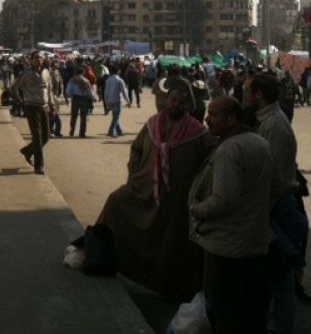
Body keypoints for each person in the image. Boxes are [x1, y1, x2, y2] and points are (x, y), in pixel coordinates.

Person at [97, 88, 214, 301]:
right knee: (116, 202)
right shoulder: (152, 125)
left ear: (189, 106)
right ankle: (102, 253)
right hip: (143, 190)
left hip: (176, 201)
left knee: (171, 242)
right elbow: (136, 149)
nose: (176, 105)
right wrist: (136, 174)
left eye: (182, 102)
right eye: (173, 100)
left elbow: (210, 163)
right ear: (166, 101)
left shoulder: (198, 133)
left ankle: (169, 289)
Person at [189, 96, 274, 334]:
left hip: (226, 247)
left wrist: (197, 208)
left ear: (232, 119)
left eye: (214, 115)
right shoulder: (259, 142)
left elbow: (223, 201)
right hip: (254, 241)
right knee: (252, 309)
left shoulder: (229, 149)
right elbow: (277, 185)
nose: (207, 119)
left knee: (226, 310)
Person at [245, 73, 306, 334]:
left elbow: (277, 177)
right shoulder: (265, 120)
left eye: (248, 91)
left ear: (259, 95)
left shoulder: (274, 125)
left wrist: (259, 210)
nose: (245, 95)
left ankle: (280, 327)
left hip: (277, 206)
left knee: (280, 276)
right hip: (271, 204)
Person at [10, 51, 52, 175]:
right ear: (31, 60)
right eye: (36, 58)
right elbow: (14, 88)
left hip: (44, 106)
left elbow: (48, 89)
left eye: (41, 58)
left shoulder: (46, 72)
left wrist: (51, 105)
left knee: (46, 137)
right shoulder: (27, 74)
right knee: (37, 137)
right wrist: (20, 100)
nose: (39, 60)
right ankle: (39, 166)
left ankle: (27, 151)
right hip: (31, 107)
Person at [65, 70, 95, 137]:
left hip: (75, 99)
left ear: (76, 73)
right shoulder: (86, 81)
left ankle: (72, 129)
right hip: (84, 99)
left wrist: (68, 97)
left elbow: (68, 91)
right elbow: (89, 91)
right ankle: (82, 133)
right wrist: (93, 98)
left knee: (74, 115)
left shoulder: (72, 80)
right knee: (83, 117)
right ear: (83, 73)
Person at [104, 65, 130, 137]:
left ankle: (119, 131)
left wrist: (106, 102)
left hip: (110, 100)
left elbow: (106, 92)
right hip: (117, 100)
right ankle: (111, 131)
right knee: (116, 117)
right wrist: (128, 101)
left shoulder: (108, 80)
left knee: (115, 116)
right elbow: (124, 91)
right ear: (118, 71)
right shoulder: (120, 80)